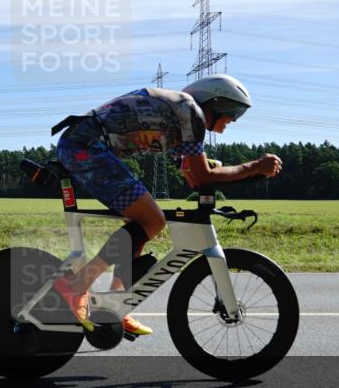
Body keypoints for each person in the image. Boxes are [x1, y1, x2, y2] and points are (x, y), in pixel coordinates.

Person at [51, 74, 282, 336]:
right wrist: (253, 166)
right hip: (85, 147)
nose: (233, 120)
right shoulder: (191, 113)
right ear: (214, 103)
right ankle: (76, 286)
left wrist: (233, 171)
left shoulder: (178, 119)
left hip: (84, 145)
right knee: (153, 219)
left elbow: (193, 176)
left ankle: (114, 306)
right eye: (232, 112)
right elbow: (203, 176)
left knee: (139, 225)